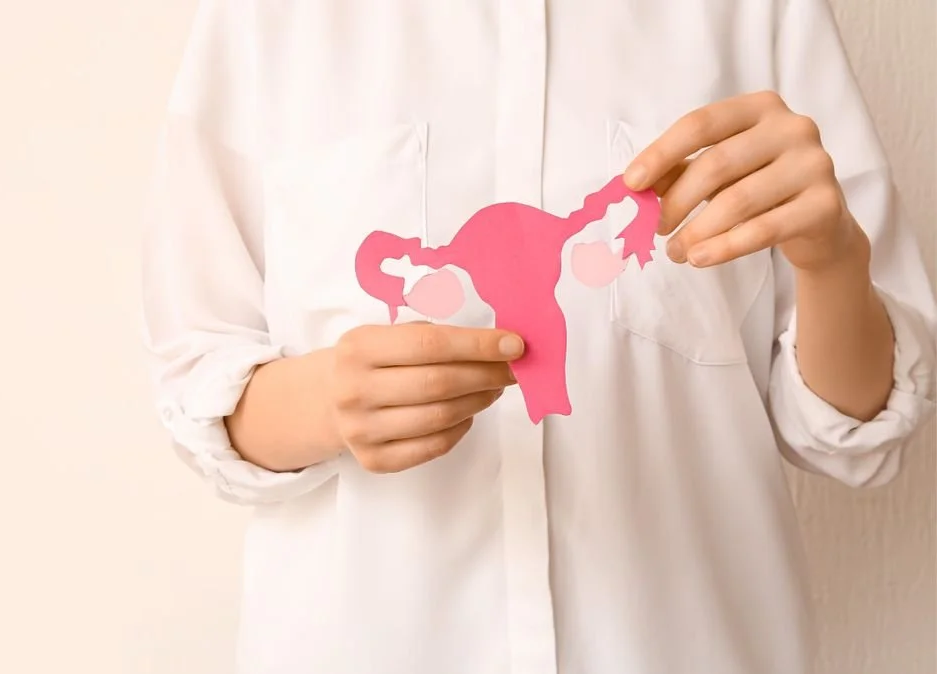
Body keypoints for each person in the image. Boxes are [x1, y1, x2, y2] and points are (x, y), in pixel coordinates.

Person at [139, 1, 936, 672]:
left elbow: (854, 430)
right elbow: (198, 379)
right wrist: (325, 403)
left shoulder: (754, 12)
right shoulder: (269, 19)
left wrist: (830, 258)